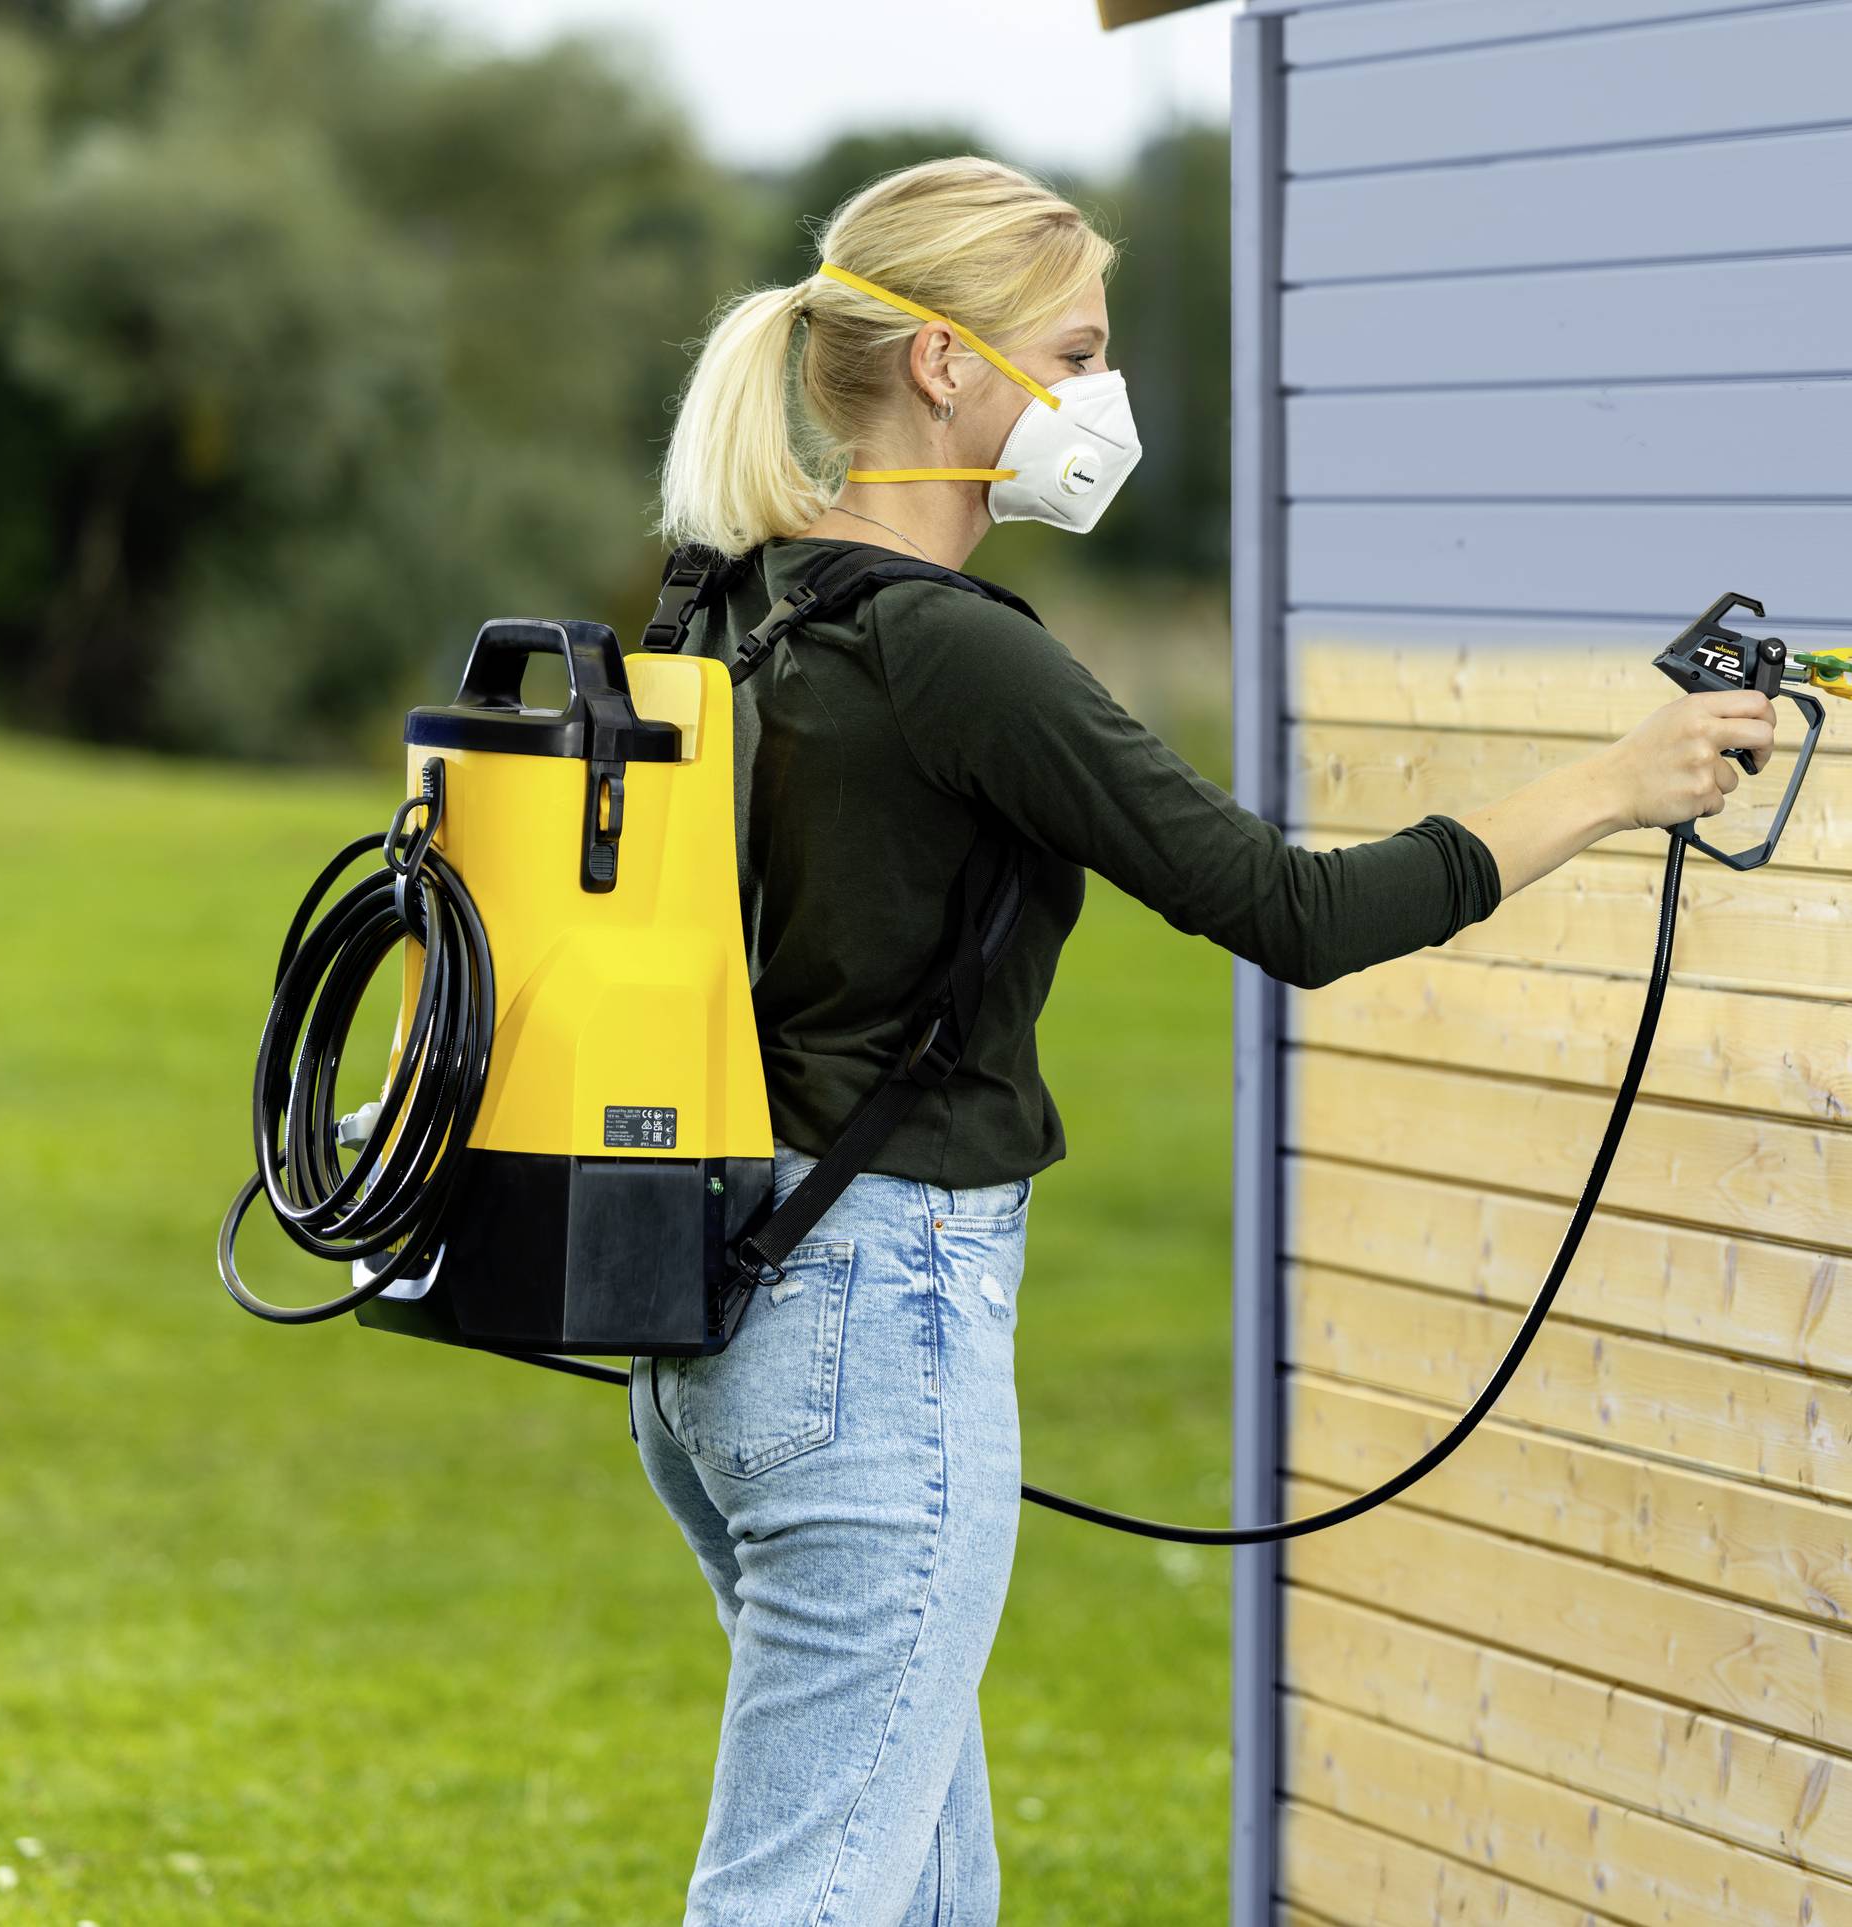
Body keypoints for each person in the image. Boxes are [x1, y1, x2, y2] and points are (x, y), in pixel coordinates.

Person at [628, 154, 1774, 1927]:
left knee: (921, 1881)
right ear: (945, 365)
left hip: (719, 1303)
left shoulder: (736, 597)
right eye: (1072, 353)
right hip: (873, 1318)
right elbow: (1290, 913)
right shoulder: (951, 654)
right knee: (813, 1895)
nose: (1099, 397)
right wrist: (1623, 786)